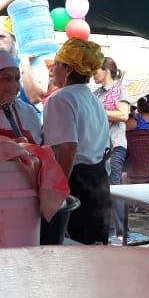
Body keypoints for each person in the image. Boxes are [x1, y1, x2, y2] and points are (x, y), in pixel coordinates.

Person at [42, 38, 111, 245]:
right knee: (96, 250)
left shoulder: (60, 98)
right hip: (98, 180)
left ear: (69, 69)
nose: (53, 69)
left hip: (76, 181)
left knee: (72, 251)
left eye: (57, 63)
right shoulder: (93, 99)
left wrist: (57, 193)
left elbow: (68, 148)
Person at [93, 57, 131, 241]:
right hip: (100, 147)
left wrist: (100, 111)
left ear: (106, 70)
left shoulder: (120, 89)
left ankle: (120, 232)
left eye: (95, 70)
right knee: (103, 188)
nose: (93, 74)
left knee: (113, 188)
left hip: (115, 145)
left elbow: (124, 115)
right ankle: (109, 230)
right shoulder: (97, 93)